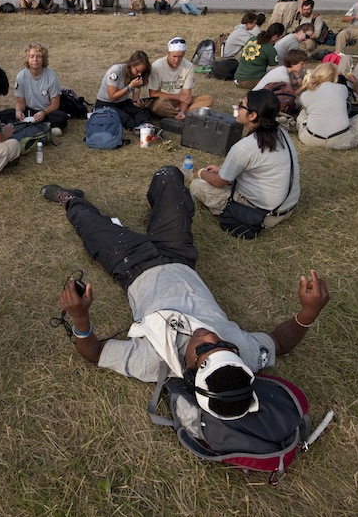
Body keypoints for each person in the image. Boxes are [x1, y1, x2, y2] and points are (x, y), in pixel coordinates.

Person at [42, 169, 329, 419]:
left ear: (189, 372)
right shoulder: (244, 355)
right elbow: (279, 344)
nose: (210, 337)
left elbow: (95, 353)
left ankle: (71, 199)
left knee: (88, 223)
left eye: (203, 350)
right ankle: (156, 215)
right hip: (178, 254)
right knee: (169, 176)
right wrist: (309, 313)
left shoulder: (154, 361)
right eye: (224, 345)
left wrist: (80, 319)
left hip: (131, 264)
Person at [189, 90, 301, 229]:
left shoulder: (245, 147)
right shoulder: (282, 133)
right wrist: (222, 170)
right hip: (286, 207)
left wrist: (201, 173)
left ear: (252, 115)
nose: (237, 108)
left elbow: (218, 181)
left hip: (263, 214)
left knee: (197, 185)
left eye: (241, 105)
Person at [295, 61, 358, 150]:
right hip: (341, 141)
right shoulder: (342, 88)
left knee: (303, 112)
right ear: (335, 77)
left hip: (310, 140)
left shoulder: (305, 95)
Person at [0, 42, 68, 133]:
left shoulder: (51, 77)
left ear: (43, 59)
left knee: (61, 117)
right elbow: (20, 102)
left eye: (38, 56)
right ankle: (45, 128)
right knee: (4, 115)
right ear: (27, 59)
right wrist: (18, 111)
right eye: (32, 56)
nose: (35, 59)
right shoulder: (21, 76)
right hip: (29, 111)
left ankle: (28, 127)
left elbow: (55, 104)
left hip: (46, 112)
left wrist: (44, 112)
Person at [147, 37, 215, 120]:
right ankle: (188, 115)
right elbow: (153, 94)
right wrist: (178, 97)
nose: (177, 60)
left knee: (208, 99)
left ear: (184, 53)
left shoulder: (188, 66)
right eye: (174, 56)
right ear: (168, 53)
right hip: (165, 100)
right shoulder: (156, 66)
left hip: (181, 102)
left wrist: (182, 110)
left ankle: (179, 114)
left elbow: (186, 95)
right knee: (157, 105)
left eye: (180, 57)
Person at [96, 51, 153, 129]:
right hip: (106, 103)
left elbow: (135, 100)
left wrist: (137, 103)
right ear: (132, 65)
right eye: (138, 71)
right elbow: (112, 97)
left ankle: (146, 126)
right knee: (126, 119)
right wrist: (130, 86)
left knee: (140, 112)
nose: (139, 74)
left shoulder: (137, 75)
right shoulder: (116, 71)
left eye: (142, 72)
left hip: (122, 102)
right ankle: (136, 128)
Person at [234, 23, 284, 89]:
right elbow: (275, 70)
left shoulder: (251, 40)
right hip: (250, 81)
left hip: (238, 78)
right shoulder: (270, 49)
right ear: (276, 37)